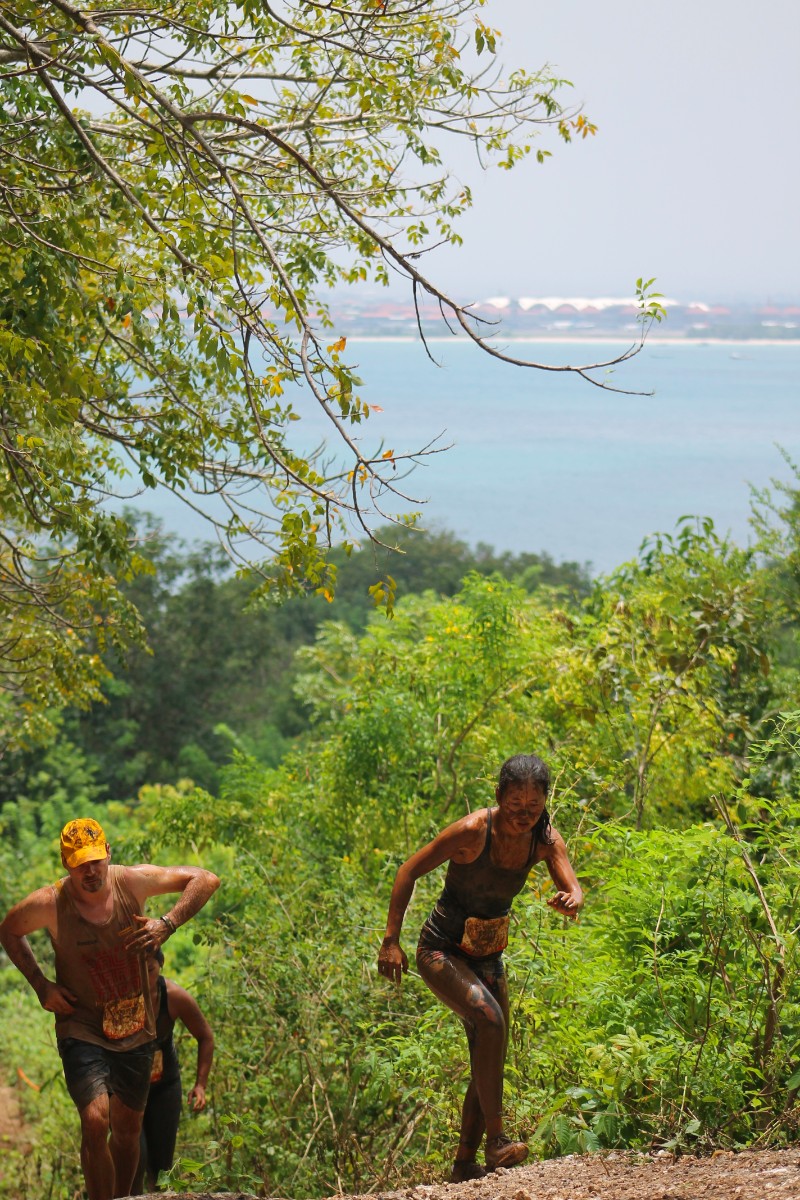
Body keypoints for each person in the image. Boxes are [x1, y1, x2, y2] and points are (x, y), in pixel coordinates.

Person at [377, 754, 583, 1183]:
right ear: (498, 798)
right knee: (490, 1022)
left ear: (545, 802)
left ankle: (464, 1164)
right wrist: (391, 940)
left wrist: (573, 898)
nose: (523, 814)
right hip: (441, 950)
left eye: (533, 805)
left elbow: (572, 884)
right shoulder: (473, 830)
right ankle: (498, 1142)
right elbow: (408, 871)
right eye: (515, 805)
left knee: (489, 1045)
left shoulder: (544, 838)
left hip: (488, 954)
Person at [0, 817, 220, 1200]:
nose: (90, 871)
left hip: (136, 1025)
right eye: (80, 863)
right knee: (95, 1118)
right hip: (81, 1024)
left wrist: (167, 924)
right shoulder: (51, 903)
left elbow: (205, 879)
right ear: (67, 865)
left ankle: (123, 1197)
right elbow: (9, 930)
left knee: (127, 1130)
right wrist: (41, 985)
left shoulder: (131, 882)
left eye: (96, 860)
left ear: (108, 855)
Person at [132, 948, 214, 1194]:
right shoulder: (118, 995)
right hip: (126, 1089)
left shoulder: (175, 997)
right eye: (138, 972)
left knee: (161, 1167)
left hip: (163, 1087)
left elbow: (206, 1037)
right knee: (135, 1157)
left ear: (160, 965)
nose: (145, 978)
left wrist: (200, 1084)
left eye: (150, 970)